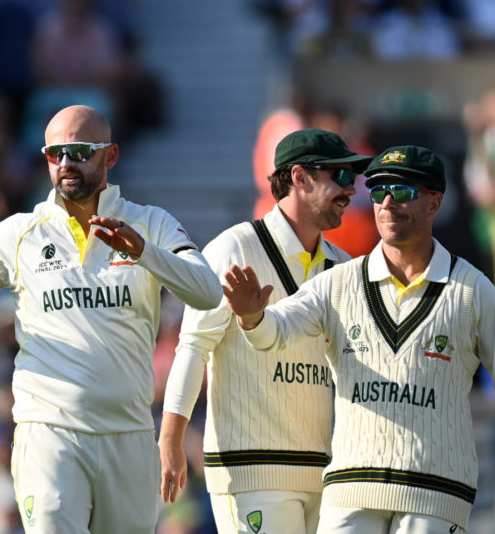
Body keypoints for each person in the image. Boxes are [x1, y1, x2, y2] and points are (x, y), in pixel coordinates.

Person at [0, 105, 223, 533]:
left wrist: (143, 253)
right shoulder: (19, 233)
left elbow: (208, 291)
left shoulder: (150, 224)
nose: (65, 164)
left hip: (129, 435)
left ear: (111, 156)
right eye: (54, 153)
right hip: (49, 434)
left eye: (79, 151)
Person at [224, 145, 495, 533]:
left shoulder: (472, 289)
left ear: (434, 203)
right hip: (351, 489)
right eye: (379, 189)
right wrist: (252, 317)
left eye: (402, 192)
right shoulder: (338, 283)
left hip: (435, 493)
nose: (386, 202)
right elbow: (276, 331)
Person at [159, 128, 371, 534]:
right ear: (300, 177)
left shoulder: (343, 266)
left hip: (322, 473)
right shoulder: (234, 248)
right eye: (340, 176)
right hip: (250, 469)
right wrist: (171, 439)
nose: (350, 190)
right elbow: (193, 347)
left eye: (353, 178)